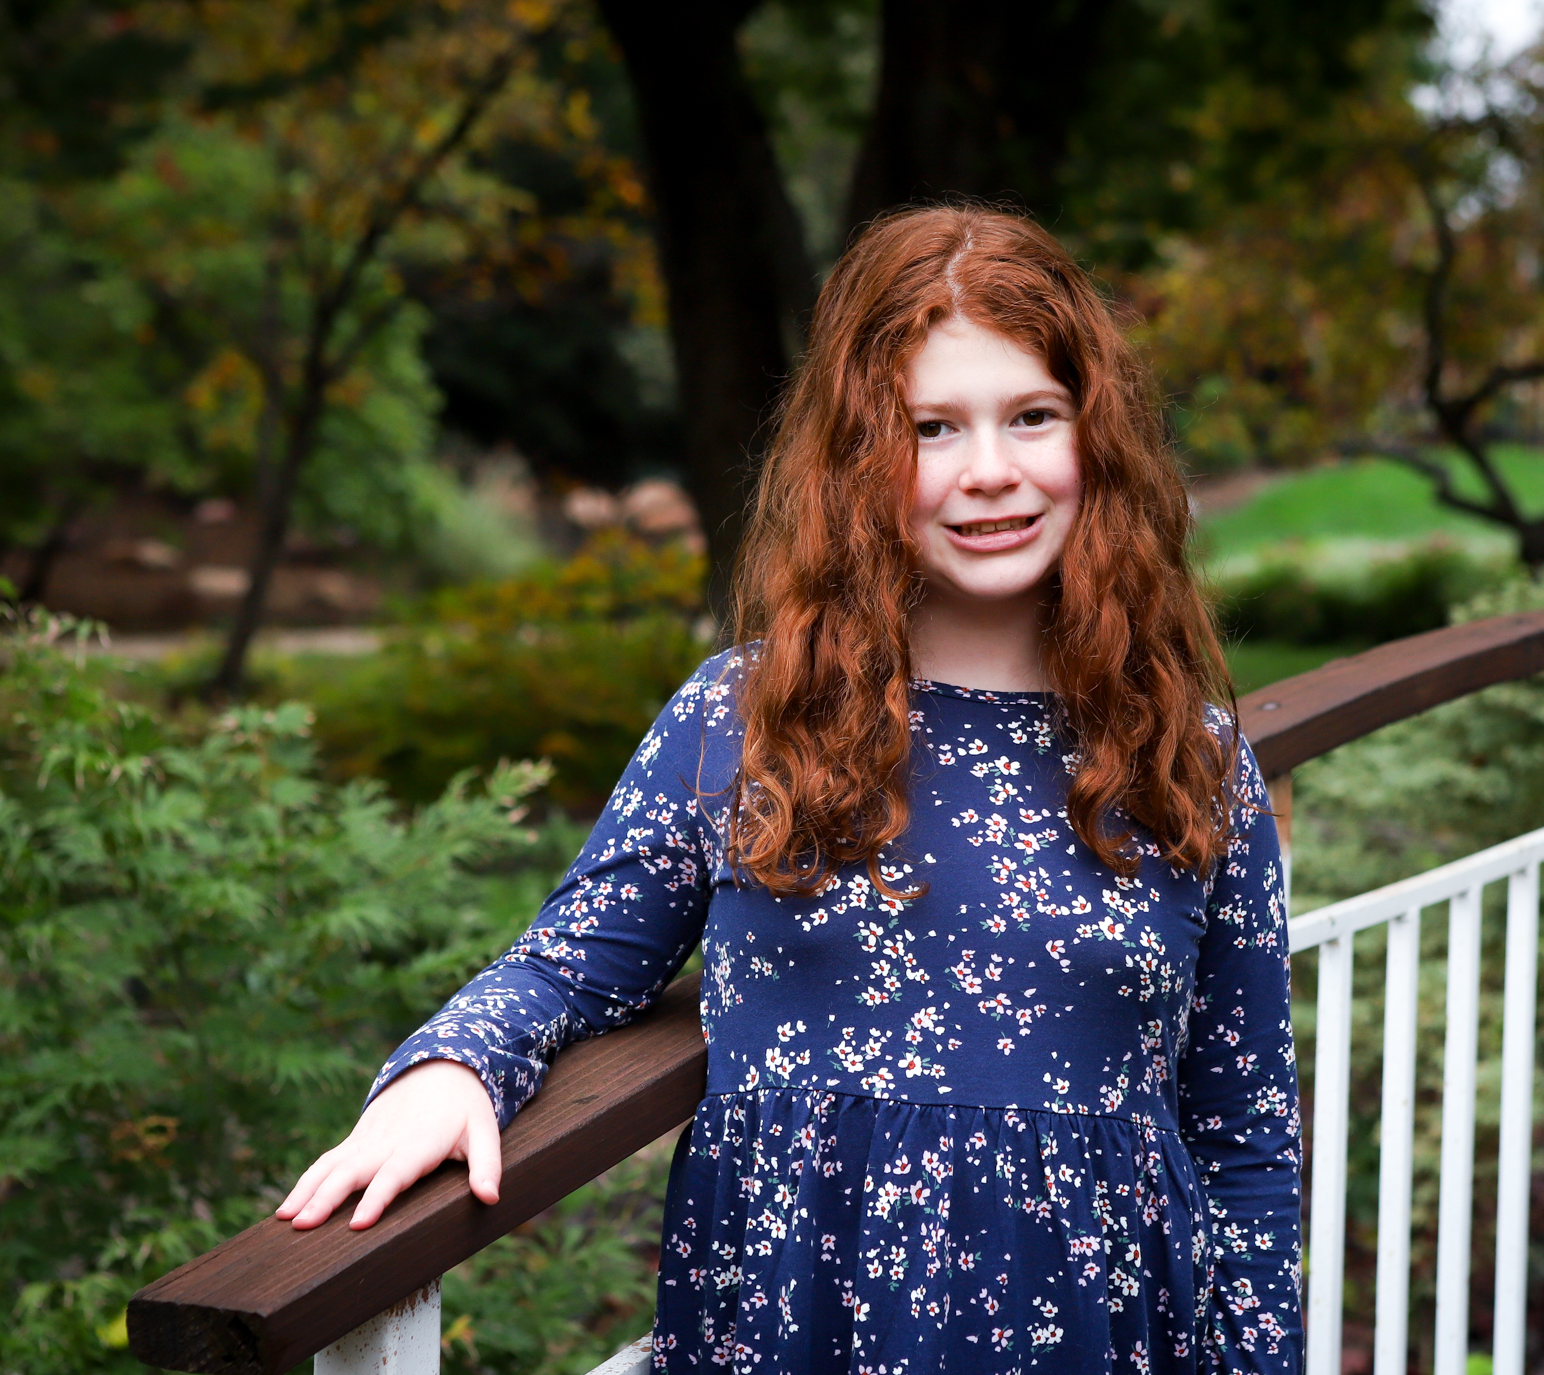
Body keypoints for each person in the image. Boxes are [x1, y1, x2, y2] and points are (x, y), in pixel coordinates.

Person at [278, 206, 1303, 1374]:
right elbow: (566, 963)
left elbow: (1244, 1141)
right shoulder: (743, 719)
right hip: (796, 1326)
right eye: (930, 427)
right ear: (861, 455)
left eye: (1031, 416)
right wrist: (450, 1065)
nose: (989, 472)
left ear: (1096, 436)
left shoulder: (1187, 758)